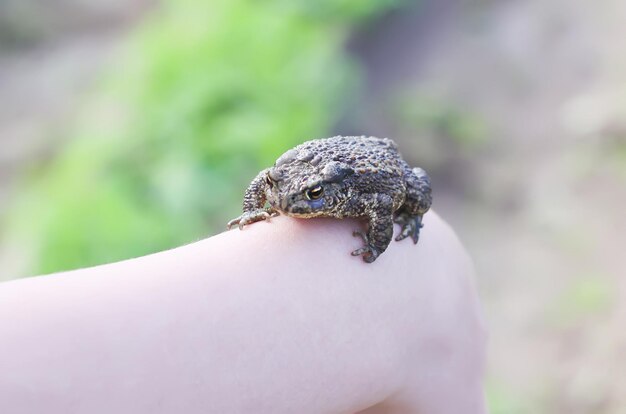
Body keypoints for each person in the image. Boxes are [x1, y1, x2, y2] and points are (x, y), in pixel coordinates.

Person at [0, 211, 487, 413]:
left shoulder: (358, 192)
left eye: (313, 199)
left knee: (420, 263)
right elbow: (418, 300)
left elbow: (391, 203)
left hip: (367, 169)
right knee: (422, 287)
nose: (295, 207)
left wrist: (378, 240)